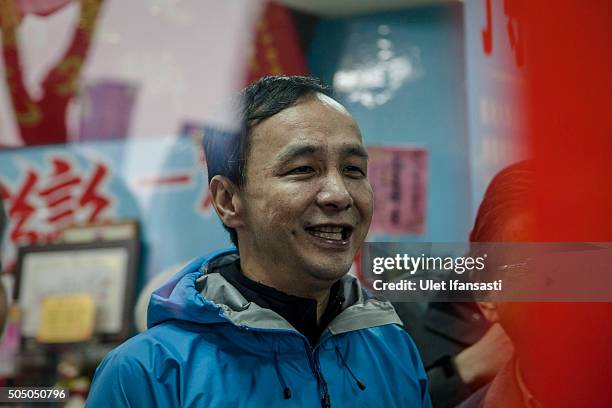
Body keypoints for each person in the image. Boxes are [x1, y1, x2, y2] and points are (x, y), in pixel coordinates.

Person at [86, 76, 432, 407]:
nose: (339, 195)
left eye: (353, 170)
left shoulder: (392, 346)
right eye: (303, 169)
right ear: (227, 200)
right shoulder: (147, 373)